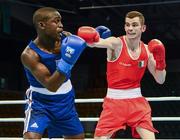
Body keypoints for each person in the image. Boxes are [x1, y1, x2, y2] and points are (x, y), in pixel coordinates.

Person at [78, 11, 166, 139]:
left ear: (143, 28)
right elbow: (95, 43)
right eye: (127, 25)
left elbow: (160, 80)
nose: (130, 28)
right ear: (124, 27)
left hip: (137, 103)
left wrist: (161, 61)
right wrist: (92, 38)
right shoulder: (116, 43)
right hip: (114, 104)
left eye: (135, 25)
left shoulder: (147, 50)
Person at [21, 7, 86, 139]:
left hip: (65, 101)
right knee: (31, 138)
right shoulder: (29, 55)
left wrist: (95, 37)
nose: (61, 25)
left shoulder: (65, 38)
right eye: (56, 21)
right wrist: (68, 61)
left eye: (61, 21)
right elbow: (51, 85)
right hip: (40, 103)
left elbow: (81, 44)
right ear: (42, 25)